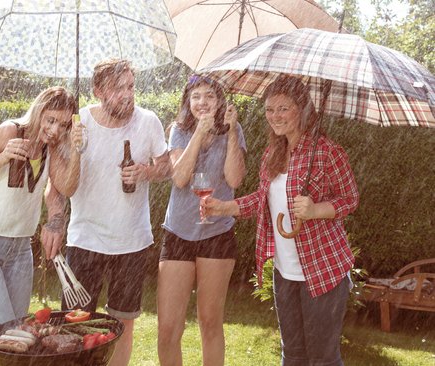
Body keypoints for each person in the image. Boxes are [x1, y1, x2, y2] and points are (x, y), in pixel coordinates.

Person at [203, 75, 359, 366]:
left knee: (323, 358)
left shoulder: (326, 151)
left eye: (283, 108)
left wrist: (316, 210)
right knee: (294, 355)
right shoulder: (272, 153)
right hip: (284, 272)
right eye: (270, 109)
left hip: (322, 268)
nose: (275, 116)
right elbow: (261, 200)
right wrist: (222, 208)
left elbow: (349, 199)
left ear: (302, 109)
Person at [45, 58, 171, 366]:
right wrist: (54, 221)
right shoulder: (78, 122)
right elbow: (57, 184)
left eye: (130, 86)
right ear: (98, 90)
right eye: (117, 89)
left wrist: (146, 172)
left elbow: (167, 167)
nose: (127, 94)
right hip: (85, 240)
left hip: (132, 242)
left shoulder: (148, 121)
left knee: (122, 325)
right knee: (76, 323)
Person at [0, 86, 83, 366]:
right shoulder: (9, 132)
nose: (55, 129)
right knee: (12, 342)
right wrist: (2, 158)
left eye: (63, 124)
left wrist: (77, 149)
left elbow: (67, 187)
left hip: (19, 251)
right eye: (50, 120)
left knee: (12, 344)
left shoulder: (53, 147)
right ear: (38, 111)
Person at [157, 74, 246, 366]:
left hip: (217, 234)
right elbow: (180, 178)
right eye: (196, 96)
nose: (202, 102)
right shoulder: (179, 131)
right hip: (179, 232)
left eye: (209, 95)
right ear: (188, 101)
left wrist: (231, 133)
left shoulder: (234, 130)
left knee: (210, 322)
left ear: (219, 100)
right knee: (168, 327)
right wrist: (198, 132)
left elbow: (235, 179)